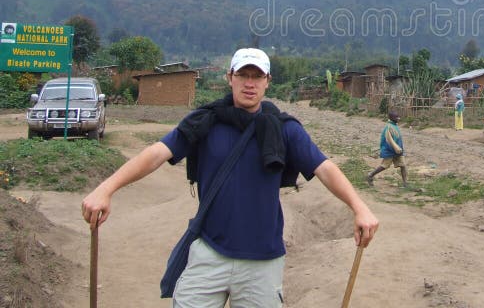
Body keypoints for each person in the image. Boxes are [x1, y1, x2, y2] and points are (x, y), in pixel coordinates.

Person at [81, 48, 378, 307]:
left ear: (267, 82)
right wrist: (106, 189)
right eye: (243, 75)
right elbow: (157, 153)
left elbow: (324, 167)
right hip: (210, 252)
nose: (250, 83)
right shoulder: (205, 122)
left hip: (263, 262)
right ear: (230, 78)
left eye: (257, 76)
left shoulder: (285, 130)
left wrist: (359, 207)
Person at [366, 111, 407, 187]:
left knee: (403, 165)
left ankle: (405, 183)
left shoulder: (394, 126)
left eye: (398, 117)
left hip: (398, 151)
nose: (398, 119)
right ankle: (370, 175)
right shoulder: (389, 127)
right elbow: (389, 140)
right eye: (396, 117)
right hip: (390, 151)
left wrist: (398, 149)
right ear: (391, 118)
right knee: (384, 166)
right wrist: (396, 148)